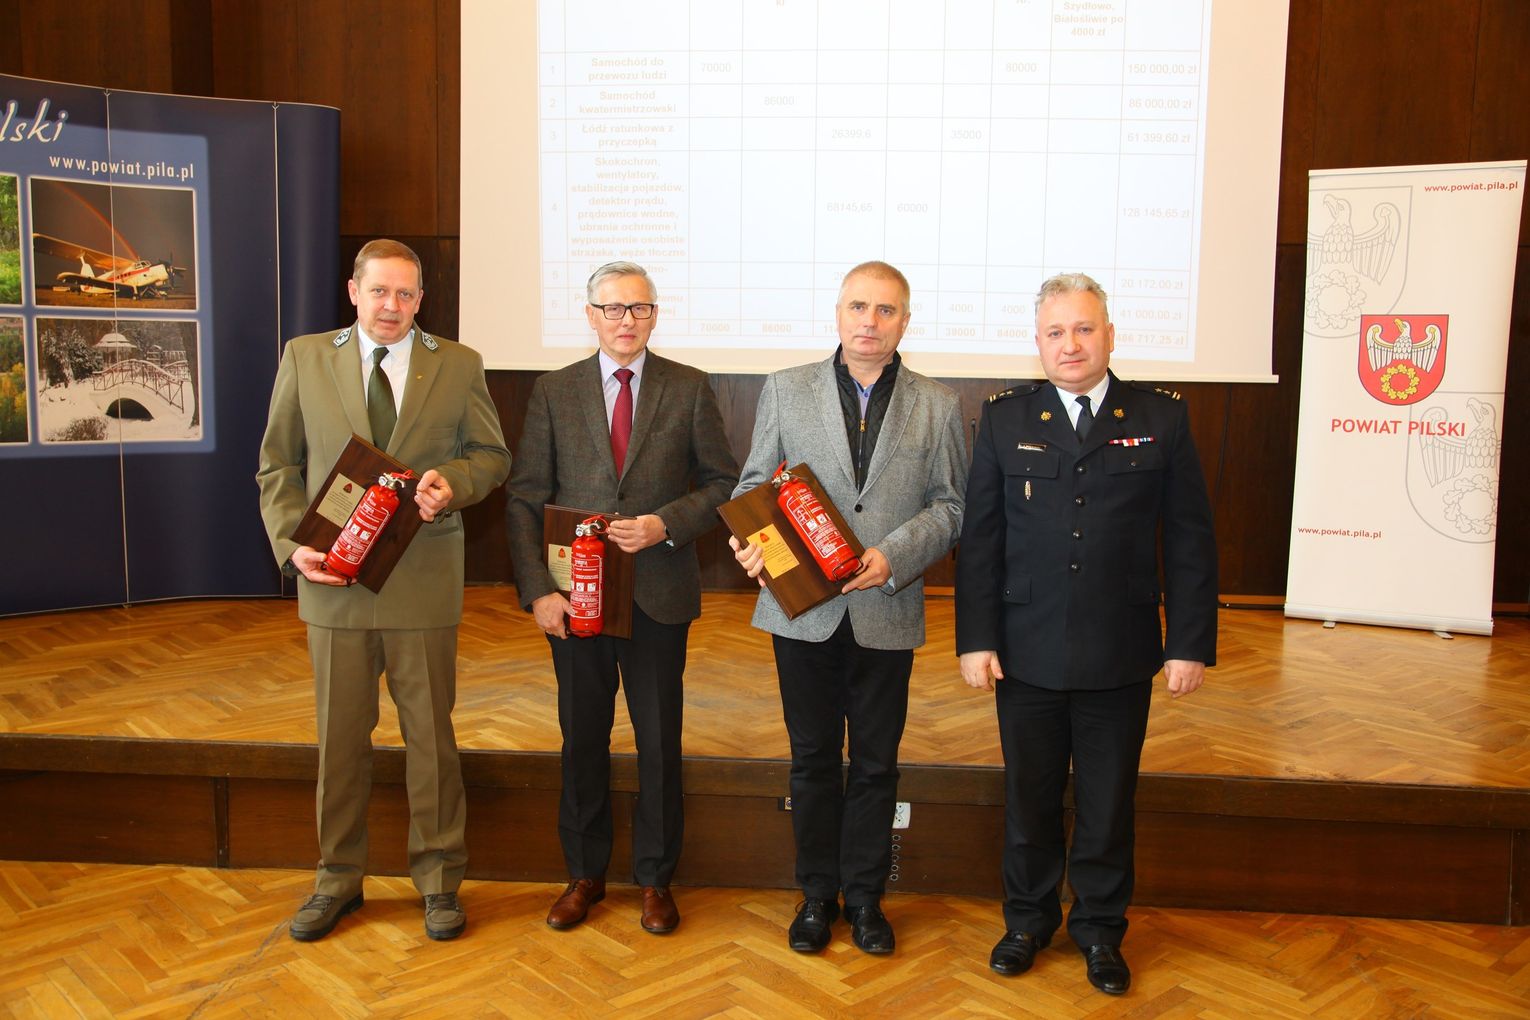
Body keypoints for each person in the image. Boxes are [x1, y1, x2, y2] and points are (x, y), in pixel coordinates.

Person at [955, 272, 1217, 995]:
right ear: (1038, 342)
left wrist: (1188, 642)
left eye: (1083, 328)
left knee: (1107, 804)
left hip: (1119, 650)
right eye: (1055, 332)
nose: (1069, 344)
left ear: (1109, 335)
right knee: (1029, 800)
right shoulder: (1006, 418)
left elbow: (1190, 540)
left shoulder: (1161, 417)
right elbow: (982, 541)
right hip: (1025, 649)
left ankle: (1100, 931)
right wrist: (976, 639)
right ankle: (1027, 922)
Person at [256, 239, 512, 942]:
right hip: (333, 582)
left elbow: (491, 456)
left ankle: (439, 881)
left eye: (405, 293)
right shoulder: (305, 357)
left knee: (431, 741)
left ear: (422, 299)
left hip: (421, 583)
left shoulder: (458, 364)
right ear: (353, 291)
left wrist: (451, 483)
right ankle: (336, 879)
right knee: (340, 743)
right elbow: (278, 466)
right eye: (379, 291)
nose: (392, 306)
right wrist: (292, 546)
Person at [730, 261, 966, 955]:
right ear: (838, 313)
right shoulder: (786, 388)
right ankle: (815, 896)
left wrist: (894, 556)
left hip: (886, 607)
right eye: (858, 306)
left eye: (885, 310)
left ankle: (864, 899)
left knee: (875, 763)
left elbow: (952, 506)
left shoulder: (938, 404)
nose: (870, 321)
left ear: (905, 321)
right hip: (801, 610)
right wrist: (751, 546)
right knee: (810, 759)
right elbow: (752, 490)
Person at [506, 261, 739, 935]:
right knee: (582, 738)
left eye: (639, 308)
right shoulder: (554, 391)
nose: (626, 320)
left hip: (658, 594)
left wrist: (667, 523)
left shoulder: (688, 387)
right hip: (573, 600)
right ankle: (584, 875)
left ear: (655, 315)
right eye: (613, 308)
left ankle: (656, 879)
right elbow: (525, 497)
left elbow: (724, 482)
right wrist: (537, 592)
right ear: (590, 316)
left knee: (659, 743)